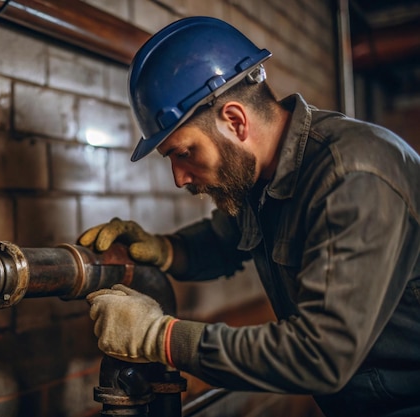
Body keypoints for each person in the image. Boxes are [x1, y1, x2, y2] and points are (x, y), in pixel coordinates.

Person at [79, 16, 420, 417]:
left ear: (235, 121)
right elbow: (224, 242)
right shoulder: (262, 180)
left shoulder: (351, 177)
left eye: (184, 153)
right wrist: (162, 249)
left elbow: (320, 356)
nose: (179, 178)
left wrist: (160, 337)